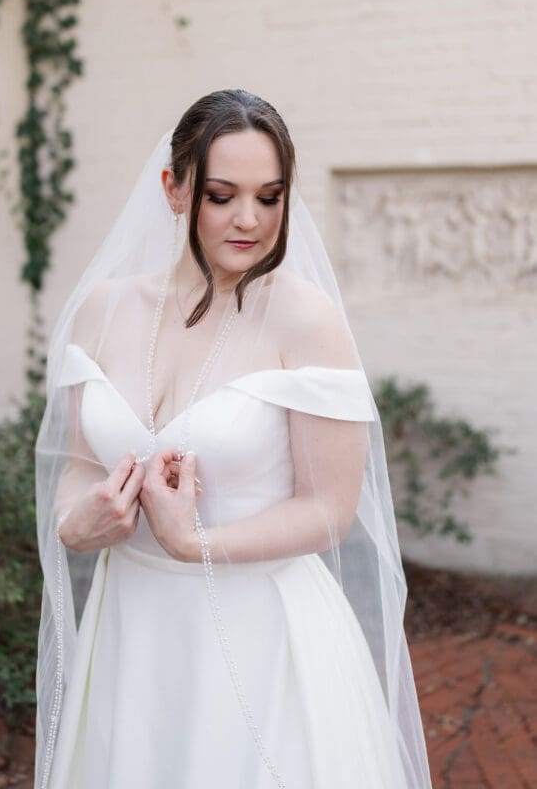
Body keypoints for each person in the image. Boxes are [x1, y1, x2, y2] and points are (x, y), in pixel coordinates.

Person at [34, 90, 433, 789]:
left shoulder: (306, 321)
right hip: (130, 628)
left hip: (259, 637)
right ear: (174, 188)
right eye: (222, 196)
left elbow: (328, 509)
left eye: (270, 196)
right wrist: (78, 521)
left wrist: (196, 545)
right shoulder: (102, 309)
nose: (249, 220)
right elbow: (76, 463)